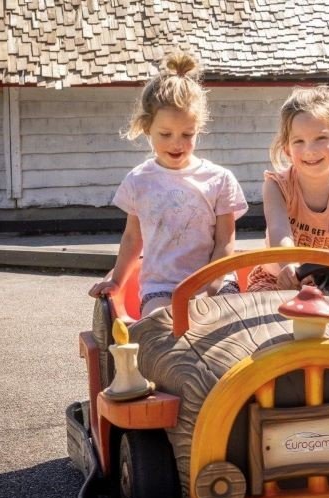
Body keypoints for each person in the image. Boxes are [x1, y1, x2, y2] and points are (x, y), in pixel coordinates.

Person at [89, 51, 248, 317]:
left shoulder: (219, 179)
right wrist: (116, 281)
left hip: (216, 283)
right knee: (161, 330)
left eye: (188, 134)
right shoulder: (139, 181)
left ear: (199, 128)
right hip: (162, 287)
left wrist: (207, 288)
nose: (177, 143)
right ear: (146, 127)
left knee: (228, 334)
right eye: (165, 134)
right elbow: (132, 237)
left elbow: (225, 243)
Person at [246, 85, 329, 292]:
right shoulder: (277, 186)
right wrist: (289, 266)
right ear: (287, 150)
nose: (310, 150)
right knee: (268, 318)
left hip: (326, 285)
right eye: (299, 141)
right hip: (276, 279)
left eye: (321, 138)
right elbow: (280, 234)